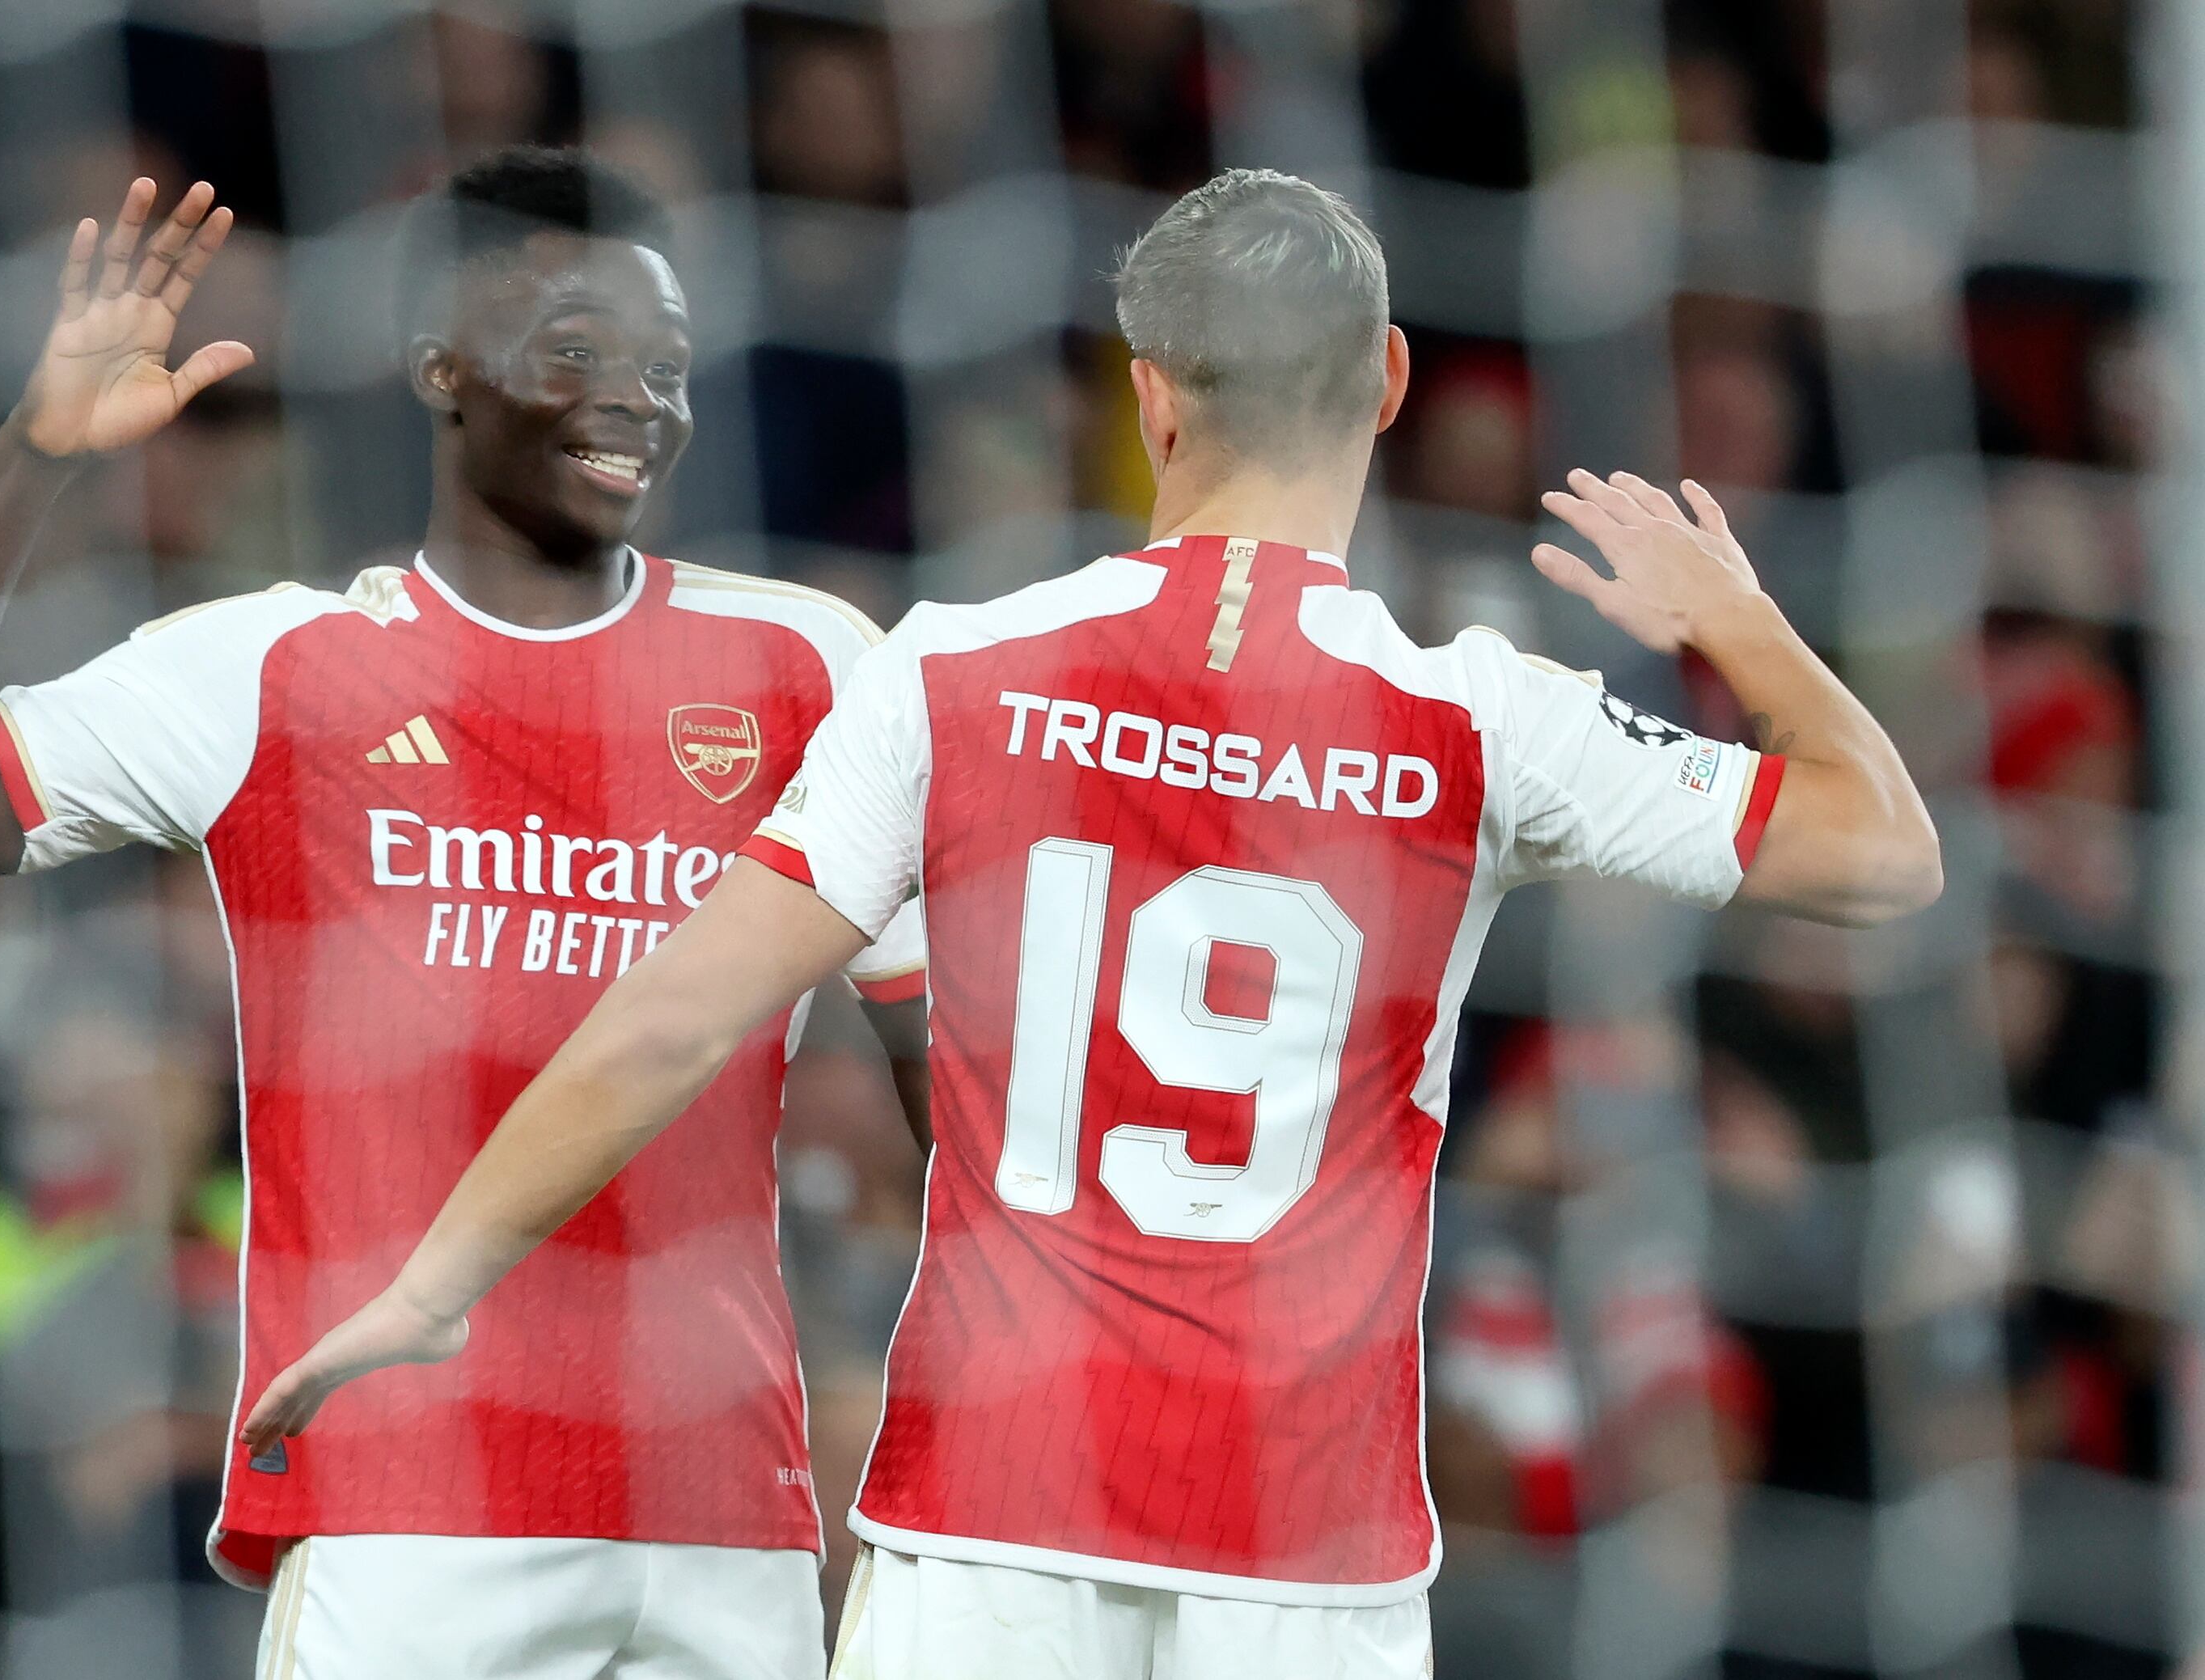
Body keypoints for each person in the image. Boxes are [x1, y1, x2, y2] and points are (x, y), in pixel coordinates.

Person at [237, 168, 1942, 1678]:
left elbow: (671, 1019)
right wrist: (1735, 616)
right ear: (1394, 381)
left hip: (984, 1537)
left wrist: (435, 1285)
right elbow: (1883, 855)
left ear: (1151, 397)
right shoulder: (1476, 719)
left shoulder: (952, 669)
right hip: (1304, 1561)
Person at [0, 148, 925, 1680]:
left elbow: (949, 1076)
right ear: (441, 368)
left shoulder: (807, 666)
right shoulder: (268, 671)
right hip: (408, 1500)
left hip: (722, 1506)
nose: (638, 399)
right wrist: (36, 455)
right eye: (577, 352)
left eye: (666, 366)